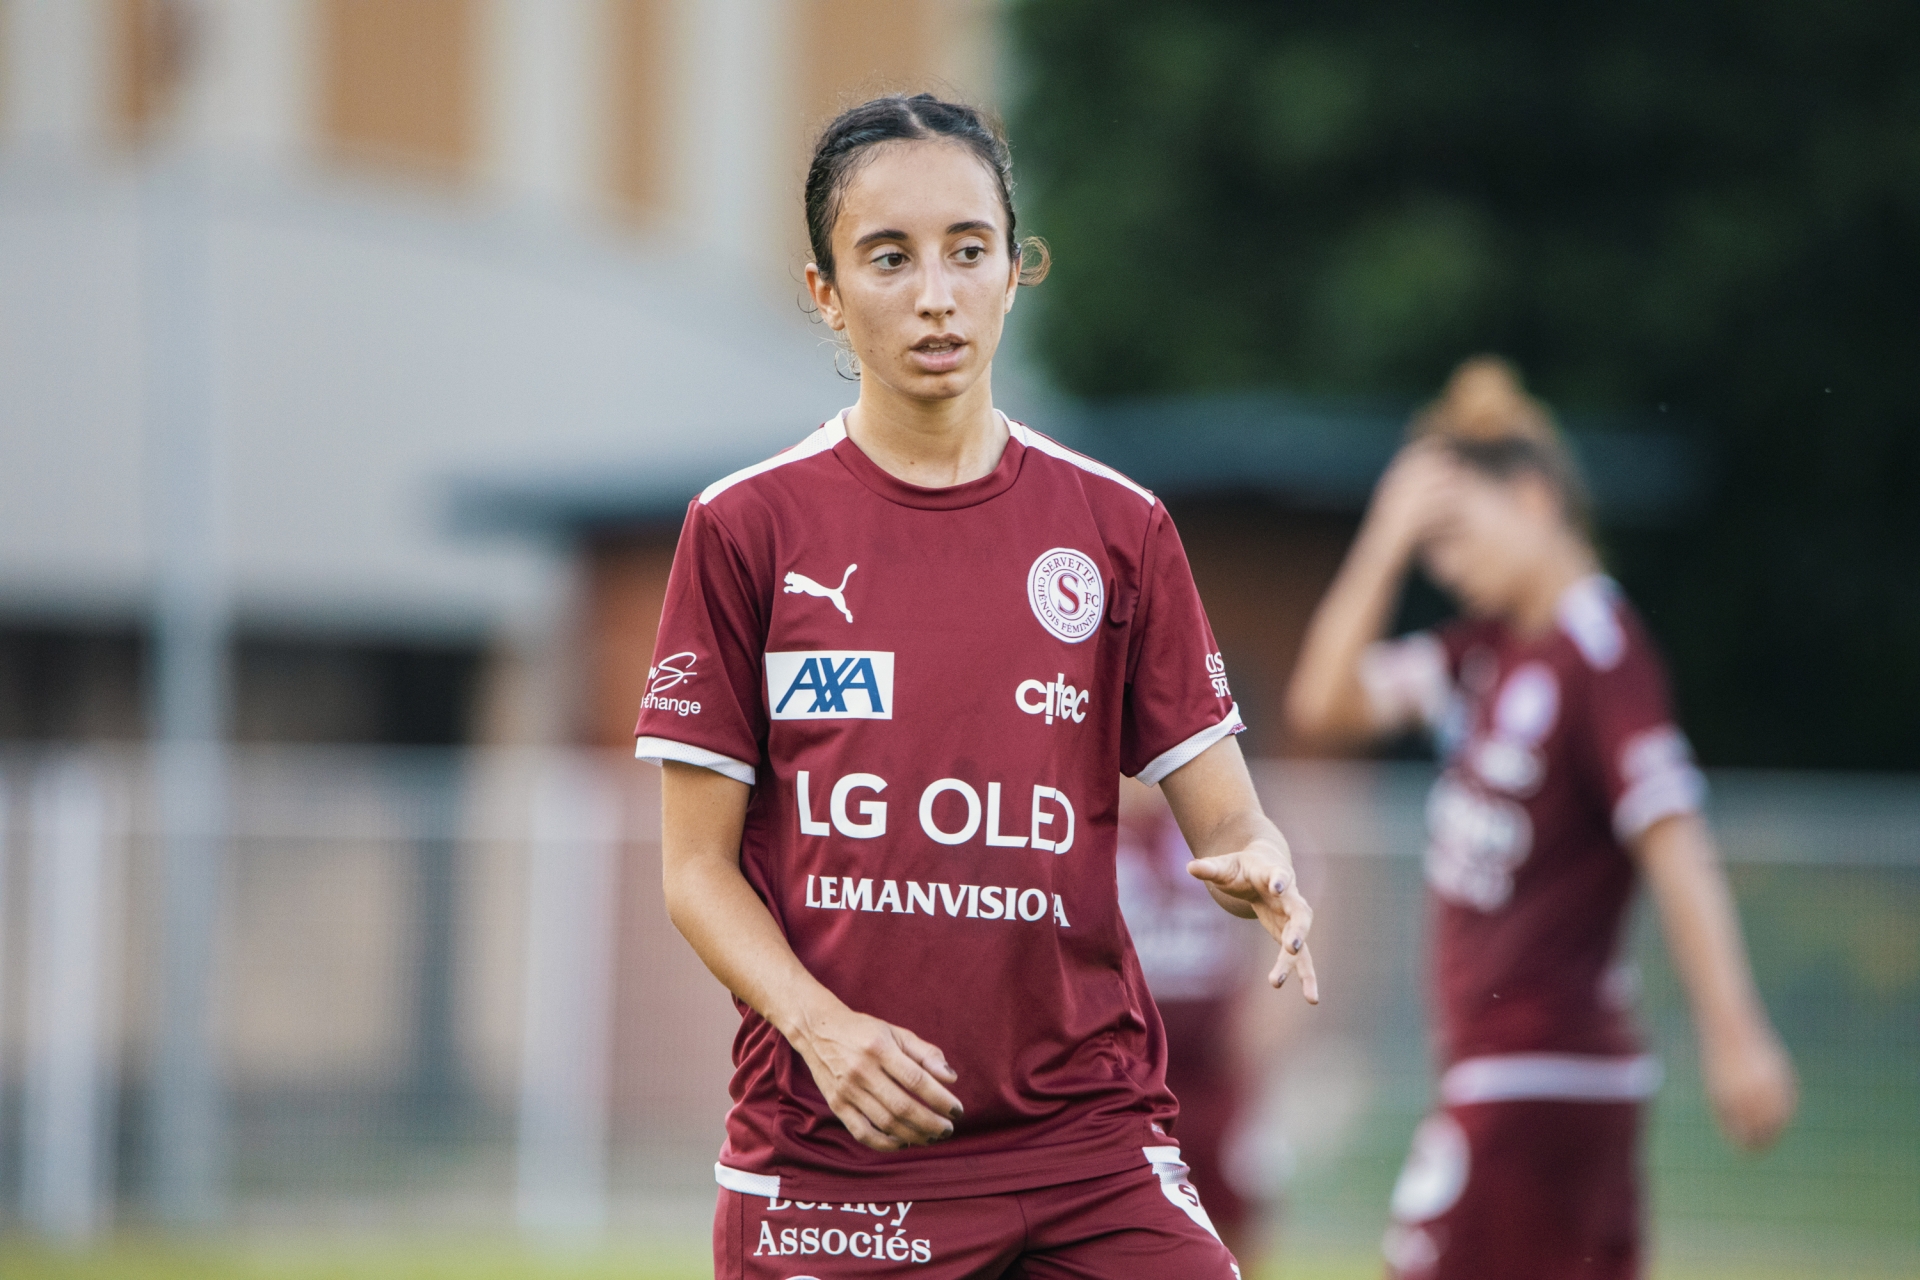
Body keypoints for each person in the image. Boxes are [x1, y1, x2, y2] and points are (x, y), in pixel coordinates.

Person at [634, 93, 1317, 1279]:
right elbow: (694, 870)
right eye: (888, 258)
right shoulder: (746, 527)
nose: (936, 293)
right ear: (825, 294)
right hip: (837, 1152)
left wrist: (1260, 863)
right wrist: (825, 1030)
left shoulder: (1118, 529)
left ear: (1017, 269)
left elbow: (1229, 817)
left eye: (968, 249)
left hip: (1085, 1140)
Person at [1285, 357, 1797, 1280]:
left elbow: (1674, 842)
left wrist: (1736, 1034)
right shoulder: (1481, 656)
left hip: (1540, 1066)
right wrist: (1383, 540)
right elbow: (1324, 705)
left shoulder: (1596, 649)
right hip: (1525, 1074)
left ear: (1530, 498)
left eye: (1453, 535)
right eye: (1428, 550)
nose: (1445, 566)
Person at [1114, 778, 1263, 1261]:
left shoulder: (1212, 826)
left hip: (1210, 1063)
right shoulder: (1093, 824)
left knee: (1230, 1210)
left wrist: (1264, 1023)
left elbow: (1292, 905)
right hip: (1119, 1067)